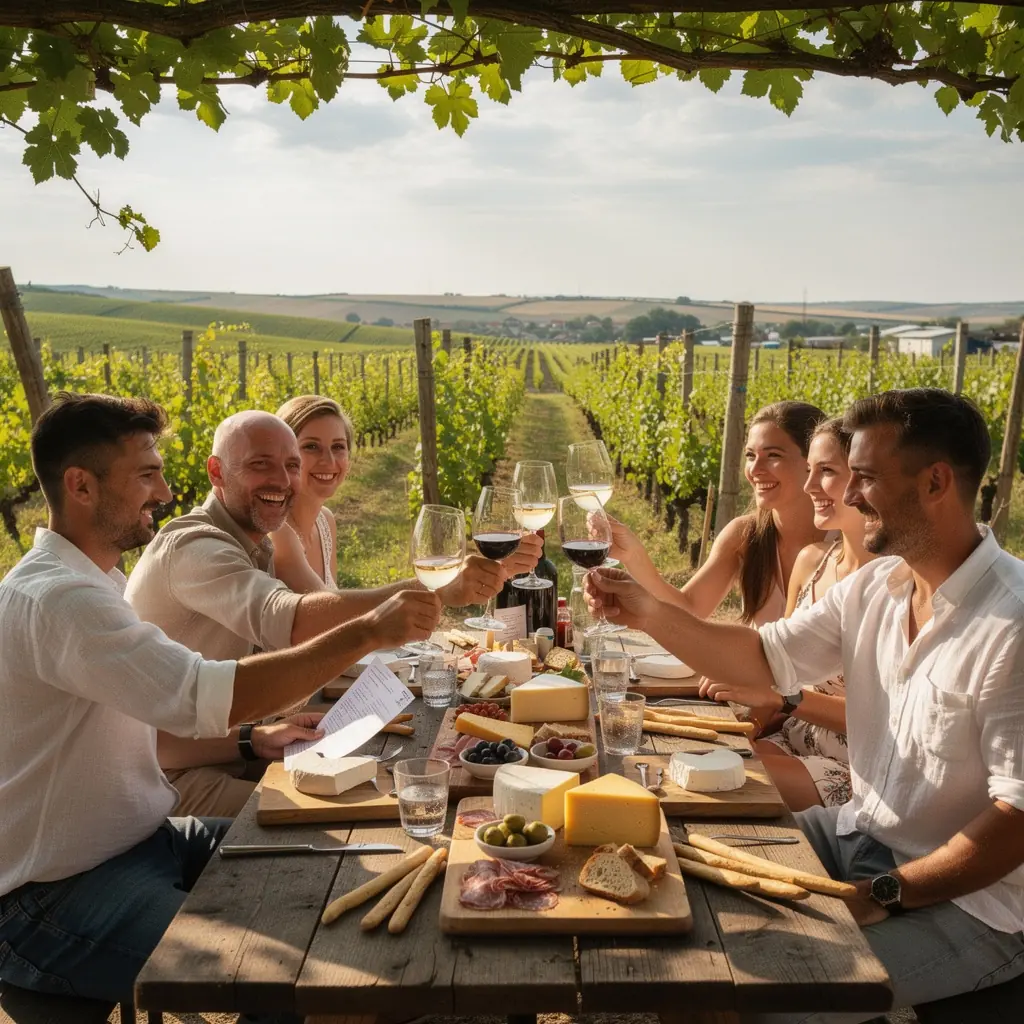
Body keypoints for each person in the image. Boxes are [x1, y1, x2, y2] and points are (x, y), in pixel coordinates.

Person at [585, 388, 1024, 1021]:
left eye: (866, 477)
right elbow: (763, 658)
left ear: (935, 482)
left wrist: (886, 892)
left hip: (976, 906)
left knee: (758, 993)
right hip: (858, 835)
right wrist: (648, 613)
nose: (850, 495)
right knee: (679, 890)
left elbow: (1018, 817)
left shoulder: (1012, 623)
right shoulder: (876, 586)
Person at [0, 393, 439, 1013]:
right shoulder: (61, 600)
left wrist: (251, 740)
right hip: (52, 895)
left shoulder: (93, 582)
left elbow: (145, 720)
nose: (163, 492)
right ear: (81, 486)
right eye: (146, 475)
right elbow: (214, 691)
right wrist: (367, 631)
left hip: (147, 839)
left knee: (330, 866)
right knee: (289, 971)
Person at [126, 408, 514, 817]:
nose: (281, 480)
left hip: (229, 747)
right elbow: (290, 620)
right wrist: (429, 591)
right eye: (261, 465)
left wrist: (256, 737)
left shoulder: (256, 542)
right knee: (369, 810)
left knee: (406, 775)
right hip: (168, 776)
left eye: (291, 466)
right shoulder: (195, 547)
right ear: (216, 472)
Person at [268, 394, 542, 590]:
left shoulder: (324, 522)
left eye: (338, 447)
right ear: (285, 455)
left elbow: (338, 612)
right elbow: (327, 614)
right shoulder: (278, 532)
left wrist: (494, 571)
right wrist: (451, 580)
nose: (328, 460)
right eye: (311, 447)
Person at [607, 400, 826, 626]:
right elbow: (689, 608)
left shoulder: (843, 541)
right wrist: (632, 555)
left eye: (773, 456)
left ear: (814, 461)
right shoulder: (745, 536)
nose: (755, 469)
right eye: (751, 456)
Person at [755, 417, 871, 812]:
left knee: (732, 779)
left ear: (866, 478)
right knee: (704, 761)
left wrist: (784, 698)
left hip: (853, 765)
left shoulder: (896, 584)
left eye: (826, 471)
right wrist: (746, 725)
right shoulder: (812, 562)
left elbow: (881, 718)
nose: (809, 486)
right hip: (791, 737)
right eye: (809, 470)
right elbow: (780, 670)